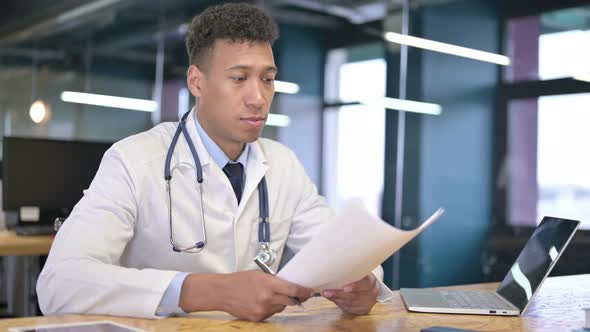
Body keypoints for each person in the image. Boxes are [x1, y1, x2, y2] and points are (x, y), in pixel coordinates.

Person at [37, 3, 392, 321]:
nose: (258, 98)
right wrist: (207, 291)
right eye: (239, 79)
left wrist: (363, 286)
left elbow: (342, 252)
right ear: (197, 82)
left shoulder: (282, 164)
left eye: (268, 79)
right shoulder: (133, 160)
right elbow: (59, 283)